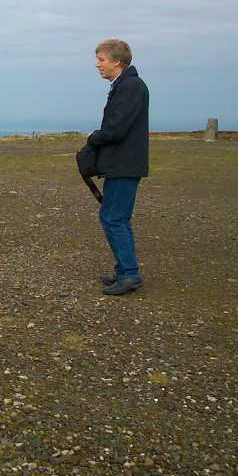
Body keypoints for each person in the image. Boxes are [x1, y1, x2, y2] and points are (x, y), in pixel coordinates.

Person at [84, 39, 149, 295]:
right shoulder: (125, 85)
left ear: (116, 62)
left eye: (101, 59)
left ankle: (130, 274)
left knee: (113, 217)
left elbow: (116, 128)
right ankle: (125, 271)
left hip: (125, 164)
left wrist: (94, 137)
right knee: (116, 217)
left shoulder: (130, 87)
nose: (98, 64)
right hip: (123, 163)